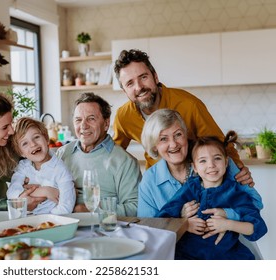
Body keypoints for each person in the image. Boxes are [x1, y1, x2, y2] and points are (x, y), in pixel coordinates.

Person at [113, 49, 253, 186]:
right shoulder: (124, 116)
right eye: (130, 83)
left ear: (155, 77)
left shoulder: (189, 104)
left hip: (196, 180)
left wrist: (239, 170)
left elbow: (219, 144)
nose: (139, 87)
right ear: (124, 90)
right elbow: (115, 154)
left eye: (143, 77)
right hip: (158, 184)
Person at [158, 131, 268, 259]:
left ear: (226, 162)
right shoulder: (190, 188)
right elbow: (163, 218)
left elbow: (257, 228)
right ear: (195, 167)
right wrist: (186, 224)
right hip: (187, 256)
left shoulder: (235, 192)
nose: (211, 165)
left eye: (217, 158)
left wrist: (228, 224)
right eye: (203, 161)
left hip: (227, 256)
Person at [137, 109, 263, 218]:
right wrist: (179, 218)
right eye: (163, 139)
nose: (174, 144)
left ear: (186, 135)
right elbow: (149, 228)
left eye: (178, 135)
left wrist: (226, 214)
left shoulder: (218, 164)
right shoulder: (150, 180)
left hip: (230, 241)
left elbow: (255, 203)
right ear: (154, 147)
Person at [56, 92, 141, 217]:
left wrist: (92, 210)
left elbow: (135, 207)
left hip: (104, 228)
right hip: (62, 223)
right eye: (78, 120)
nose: (83, 126)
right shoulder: (62, 153)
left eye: (91, 119)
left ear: (106, 124)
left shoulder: (125, 161)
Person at [7, 117, 75, 215]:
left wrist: (47, 220)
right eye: (25, 143)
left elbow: (66, 207)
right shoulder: (23, 167)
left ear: (47, 139)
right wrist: (45, 191)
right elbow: (12, 194)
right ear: (21, 153)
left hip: (51, 222)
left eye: (36, 137)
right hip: (26, 221)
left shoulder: (61, 170)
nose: (33, 144)